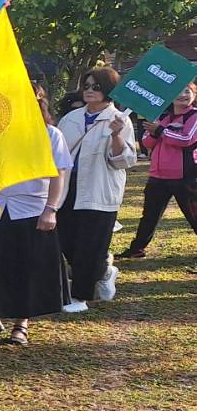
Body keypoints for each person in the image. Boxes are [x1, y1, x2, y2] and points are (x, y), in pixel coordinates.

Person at [0, 117, 73, 346]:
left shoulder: (50, 134)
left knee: (26, 267)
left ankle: (21, 321)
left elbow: (58, 174)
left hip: (31, 209)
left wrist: (51, 209)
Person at [54, 67, 135, 312]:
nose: (89, 91)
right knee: (66, 241)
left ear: (108, 90)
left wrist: (117, 136)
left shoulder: (120, 120)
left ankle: (80, 297)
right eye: (86, 86)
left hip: (99, 189)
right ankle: (105, 270)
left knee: (90, 245)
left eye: (96, 87)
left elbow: (124, 161)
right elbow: (57, 153)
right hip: (69, 188)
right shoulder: (71, 118)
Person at [120, 80, 197, 259]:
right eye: (178, 91)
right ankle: (136, 250)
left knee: (194, 216)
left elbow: (186, 139)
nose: (183, 95)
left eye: (187, 91)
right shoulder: (162, 117)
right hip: (158, 176)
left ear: (194, 95)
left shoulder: (193, 116)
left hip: (185, 176)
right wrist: (156, 131)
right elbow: (147, 142)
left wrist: (160, 131)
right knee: (149, 216)